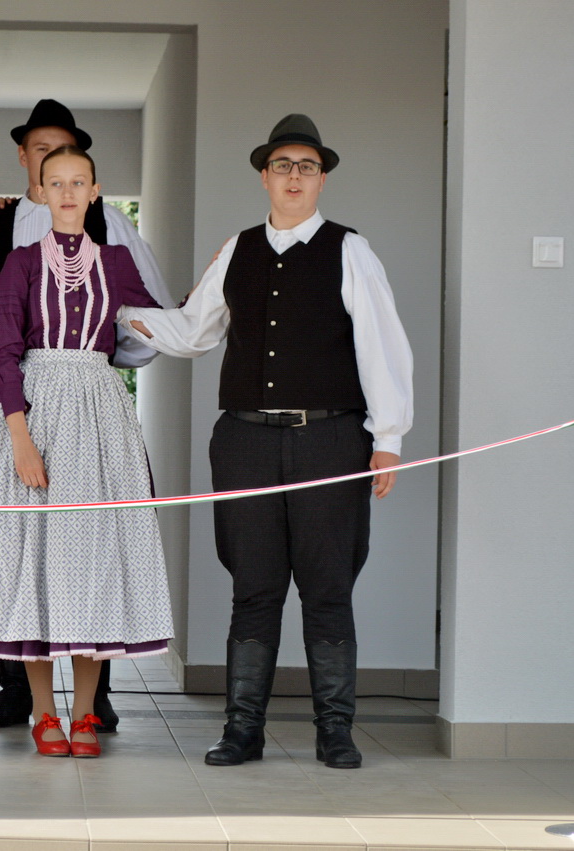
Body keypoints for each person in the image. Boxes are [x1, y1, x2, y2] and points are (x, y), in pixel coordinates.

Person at [120, 114, 413, 769]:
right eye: (283, 165)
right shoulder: (237, 250)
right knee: (253, 588)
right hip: (245, 442)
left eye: (307, 166)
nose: (294, 176)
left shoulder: (350, 251)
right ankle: (242, 731)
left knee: (328, 588)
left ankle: (335, 733)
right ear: (264, 176)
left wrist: (387, 437)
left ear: (322, 178)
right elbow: (195, 330)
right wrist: (122, 314)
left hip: (331, 439)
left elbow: (382, 345)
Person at [0, 146, 174, 759]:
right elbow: (3, 353)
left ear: (95, 191)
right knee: (31, 564)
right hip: (34, 413)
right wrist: (19, 437)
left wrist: (207, 294)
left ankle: (85, 713)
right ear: (38, 191)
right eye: (54, 182)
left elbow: (158, 324)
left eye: (77, 182)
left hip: (101, 420)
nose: (66, 192)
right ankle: (43, 712)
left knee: (93, 564)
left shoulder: (116, 261)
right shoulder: (19, 262)